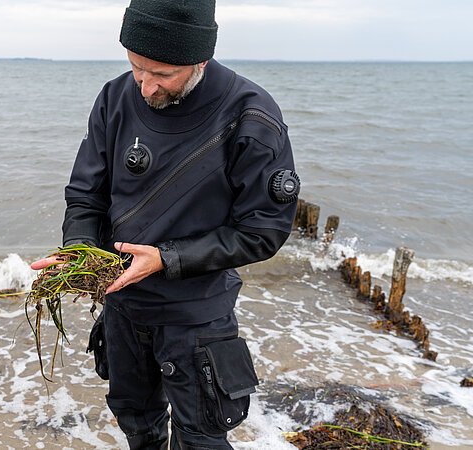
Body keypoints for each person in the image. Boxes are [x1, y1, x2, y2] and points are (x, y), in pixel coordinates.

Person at [32, 0, 299, 448]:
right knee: (136, 422)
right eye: (137, 67)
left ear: (200, 58)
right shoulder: (115, 98)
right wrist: (79, 250)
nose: (145, 87)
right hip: (123, 307)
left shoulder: (251, 116)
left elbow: (264, 230)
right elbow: (85, 195)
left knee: (200, 439)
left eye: (162, 74)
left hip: (196, 318)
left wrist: (165, 258)